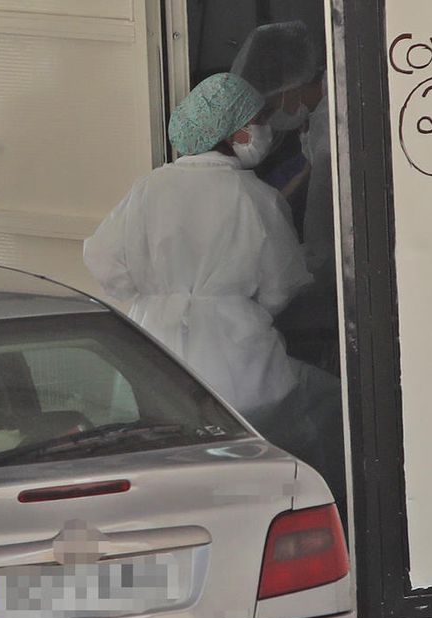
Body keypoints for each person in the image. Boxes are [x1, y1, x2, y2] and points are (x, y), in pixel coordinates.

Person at [83, 73, 342, 502]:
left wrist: (154, 295)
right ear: (234, 133)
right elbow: (280, 286)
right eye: (258, 121)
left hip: (152, 353)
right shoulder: (255, 197)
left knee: (166, 470)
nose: (264, 130)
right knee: (270, 462)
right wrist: (230, 306)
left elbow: (102, 260)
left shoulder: (149, 188)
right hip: (239, 363)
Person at [231, 21, 325, 232]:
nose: (271, 120)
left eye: (269, 108)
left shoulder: (331, 126)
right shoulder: (315, 123)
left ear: (291, 86)